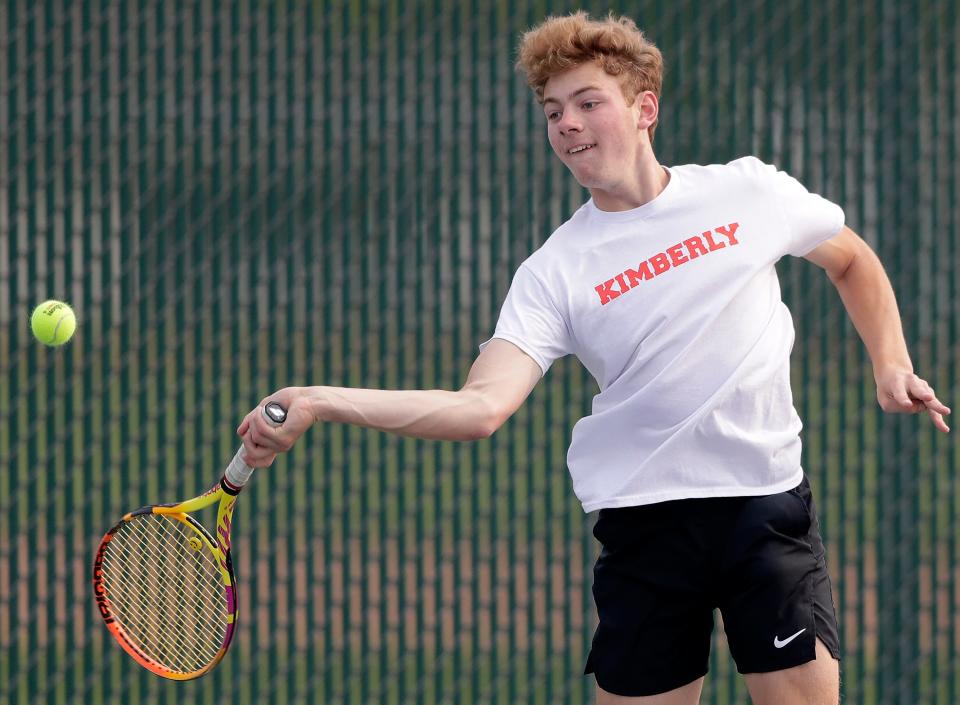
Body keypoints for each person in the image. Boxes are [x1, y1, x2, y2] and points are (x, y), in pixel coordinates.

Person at [237, 11, 951, 705]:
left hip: (764, 510)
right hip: (645, 527)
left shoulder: (746, 191)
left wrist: (890, 363)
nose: (567, 123)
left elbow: (850, 257)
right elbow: (480, 407)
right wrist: (321, 399)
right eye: (552, 112)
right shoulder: (554, 271)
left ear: (645, 109)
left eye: (587, 102)